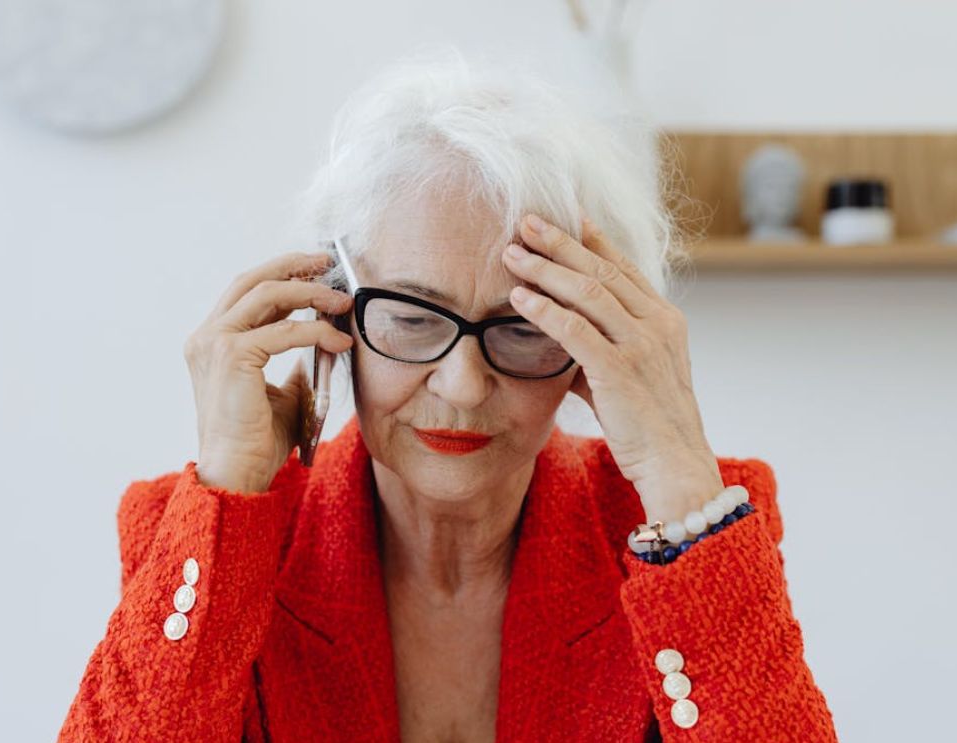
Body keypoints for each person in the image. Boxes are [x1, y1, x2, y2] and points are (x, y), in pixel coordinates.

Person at [57, 47, 838, 742]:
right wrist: (227, 483)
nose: (463, 386)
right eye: (409, 318)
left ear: (592, 344)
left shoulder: (680, 531)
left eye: (523, 329)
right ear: (332, 311)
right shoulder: (200, 536)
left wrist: (675, 468)